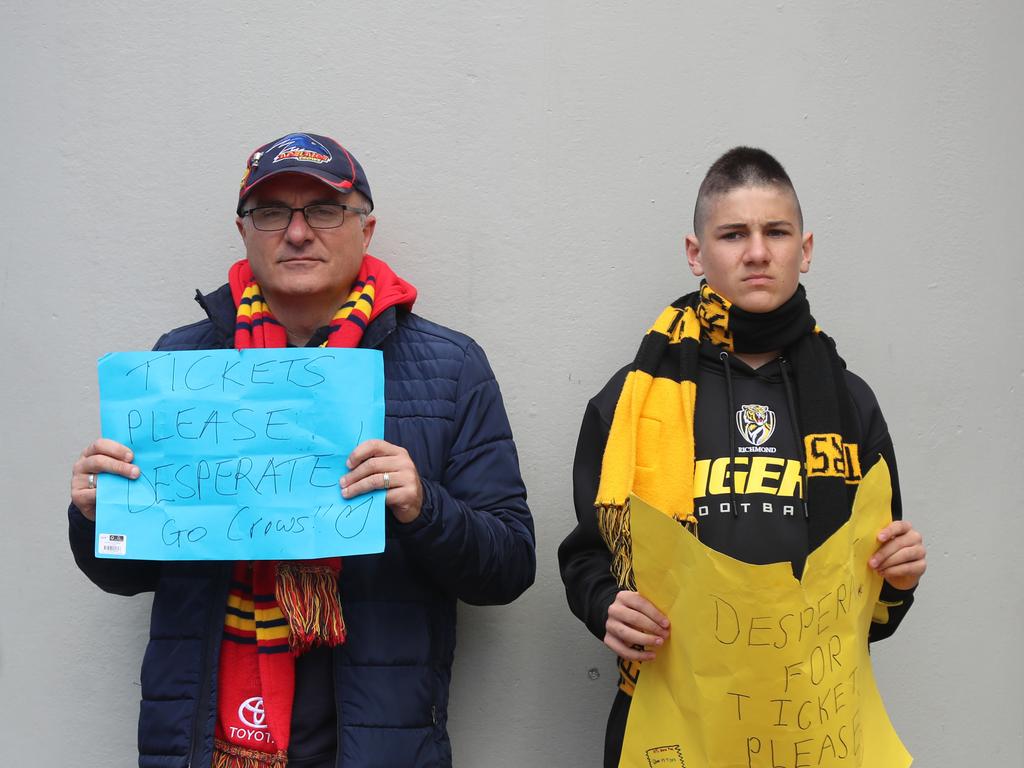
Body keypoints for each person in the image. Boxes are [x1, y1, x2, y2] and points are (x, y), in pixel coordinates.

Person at [68, 132, 536, 768]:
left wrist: (424, 507)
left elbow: (508, 567)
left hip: (376, 741)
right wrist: (98, 516)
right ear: (243, 231)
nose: (296, 232)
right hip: (204, 739)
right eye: (271, 212)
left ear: (366, 229)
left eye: (323, 209)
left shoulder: (452, 368)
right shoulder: (178, 363)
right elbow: (129, 573)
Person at [558, 147, 926, 767]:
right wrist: (605, 606)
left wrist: (901, 576)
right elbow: (587, 554)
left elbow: (876, 605)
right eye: (734, 234)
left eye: (775, 232)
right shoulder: (632, 399)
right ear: (696, 252)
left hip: (814, 725)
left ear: (804, 249)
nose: (757, 252)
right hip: (672, 721)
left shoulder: (849, 401)